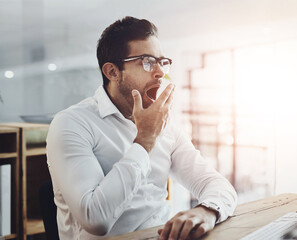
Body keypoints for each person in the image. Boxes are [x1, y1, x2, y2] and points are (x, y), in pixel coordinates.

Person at [46, 16, 237, 240]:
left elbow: (216, 185)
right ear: (112, 72)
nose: (160, 73)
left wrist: (207, 211)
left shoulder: (166, 125)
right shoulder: (72, 123)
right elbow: (95, 219)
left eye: (162, 62)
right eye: (147, 62)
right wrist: (144, 140)